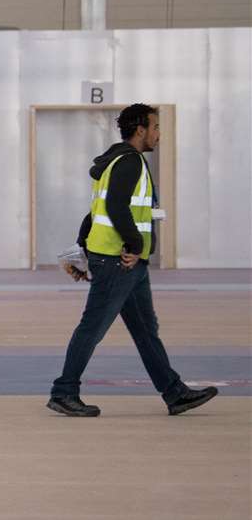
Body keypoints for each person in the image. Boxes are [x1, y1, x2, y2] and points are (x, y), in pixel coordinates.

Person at [47, 103, 217, 418]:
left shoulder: (114, 162)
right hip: (118, 261)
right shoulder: (130, 162)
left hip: (127, 264)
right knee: (92, 327)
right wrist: (135, 243)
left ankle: (174, 392)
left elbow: (94, 213)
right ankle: (64, 392)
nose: (158, 135)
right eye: (155, 128)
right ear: (140, 130)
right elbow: (113, 207)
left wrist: (82, 250)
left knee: (145, 330)